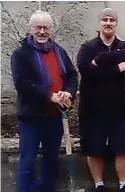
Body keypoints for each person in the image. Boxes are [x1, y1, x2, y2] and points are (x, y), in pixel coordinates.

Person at [10, 10, 78, 192]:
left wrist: (68, 93)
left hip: (55, 116)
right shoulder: (21, 54)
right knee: (28, 162)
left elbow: (71, 75)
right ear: (31, 29)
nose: (42, 32)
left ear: (51, 29)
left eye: (46, 28)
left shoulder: (59, 51)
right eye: (38, 27)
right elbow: (22, 83)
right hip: (31, 118)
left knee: (52, 160)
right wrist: (50, 96)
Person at [77, 8, 125, 192]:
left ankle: (124, 184)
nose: (108, 23)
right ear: (99, 24)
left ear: (116, 24)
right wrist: (115, 69)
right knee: (94, 148)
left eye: (112, 20)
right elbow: (85, 69)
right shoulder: (87, 48)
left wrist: (100, 60)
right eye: (105, 19)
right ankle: (99, 185)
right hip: (92, 110)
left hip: (120, 110)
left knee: (124, 148)